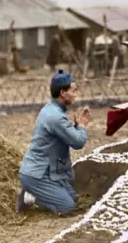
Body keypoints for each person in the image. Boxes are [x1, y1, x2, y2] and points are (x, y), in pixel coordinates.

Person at [15, 70, 92, 215]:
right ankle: (28, 197)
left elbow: (64, 135)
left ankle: (33, 192)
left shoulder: (51, 109)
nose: (75, 94)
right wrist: (81, 126)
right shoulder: (56, 116)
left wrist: (75, 127)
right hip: (37, 175)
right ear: (63, 92)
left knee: (74, 199)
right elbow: (78, 142)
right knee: (68, 207)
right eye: (73, 90)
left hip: (43, 171)